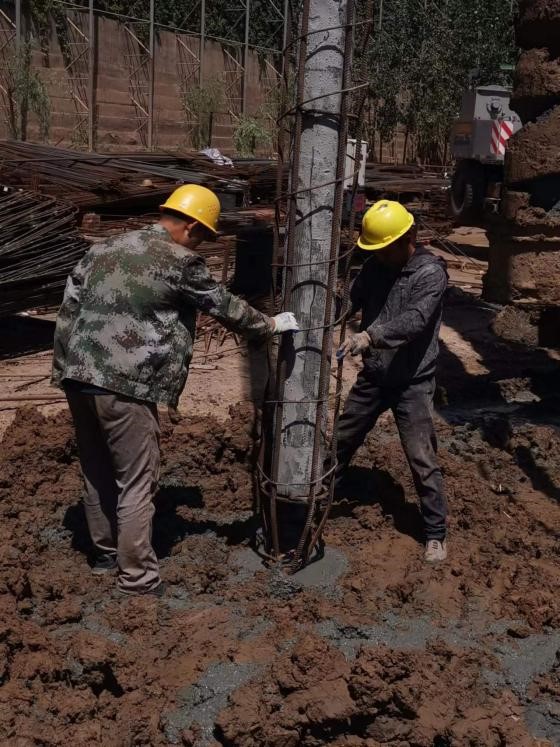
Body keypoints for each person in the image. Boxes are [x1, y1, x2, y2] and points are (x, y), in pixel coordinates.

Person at [52, 184, 299, 596]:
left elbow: (68, 311)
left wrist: (63, 369)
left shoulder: (103, 249)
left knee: (96, 469)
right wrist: (269, 325)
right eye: (202, 236)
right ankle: (138, 579)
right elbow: (223, 305)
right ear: (191, 227)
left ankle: (105, 554)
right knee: (136, 481)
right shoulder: (180, 261)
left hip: (77, 377)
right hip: (125, 385)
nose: (199, 244)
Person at [336, 200, 448, 563]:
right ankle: (319, 497)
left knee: (421, 457)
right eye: (376, 250)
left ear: (408, 238)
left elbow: (415, 320)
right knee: (341, 439)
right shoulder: (375, 266)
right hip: (375, 375)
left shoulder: (430, 274)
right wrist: (328, 312)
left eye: (386, 249)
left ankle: (435, 533)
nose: (380, 256)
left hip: (412, 381)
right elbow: (351, 299)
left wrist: (370, 336)